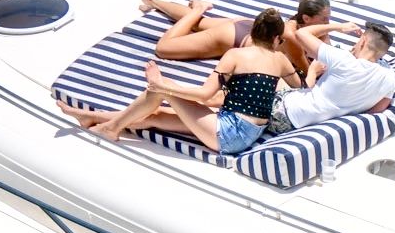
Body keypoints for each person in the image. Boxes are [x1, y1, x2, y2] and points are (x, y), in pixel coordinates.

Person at [58, 8, 299, 153]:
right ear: (276, 39)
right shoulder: (280, 60)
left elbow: (205, 95)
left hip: (229, 133)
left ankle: (111, 129)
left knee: (161, 91)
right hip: (245, 130)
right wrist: (312, 70)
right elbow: (299, 86)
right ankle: (91, 117)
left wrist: (164, 85)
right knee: (156, 116)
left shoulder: (235, 55)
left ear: (253, 32)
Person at [140, 0, 333, 64]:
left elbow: (330, 57)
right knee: (164, 49)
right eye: (324, 19)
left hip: (249, 26)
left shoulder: (316, 30)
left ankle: (153, 1)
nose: (327, 23)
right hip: (234, 38)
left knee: (198, 24)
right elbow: (306, 74)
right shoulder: (291, 35)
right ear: (306, 18)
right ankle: (198, 8)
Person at [276, 19, 395, 133]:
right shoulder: (390, 78)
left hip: (284, 111)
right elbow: (375, 112)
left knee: (276, 58)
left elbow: (301, 33)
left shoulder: (344, 59)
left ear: (363, 41)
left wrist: (338, 27)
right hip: (307, 124)